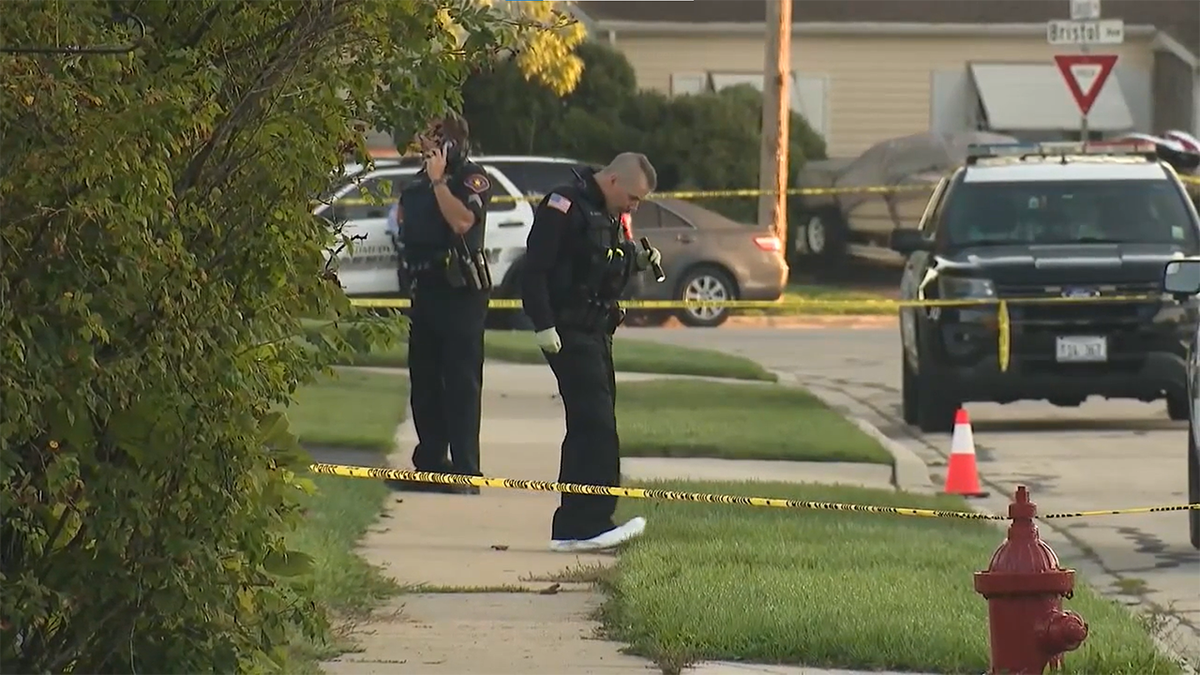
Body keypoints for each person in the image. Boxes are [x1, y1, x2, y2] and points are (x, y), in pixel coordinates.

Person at [520, 152, 663, 552]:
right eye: (633, 198)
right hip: (568, 330)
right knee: (594, 423)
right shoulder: (563, 206)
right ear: (614, 180)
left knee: (594, 423)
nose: (634, 206)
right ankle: (584, 523)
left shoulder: (608, 213)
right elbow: (536, 269)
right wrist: (543, 323)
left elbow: (603, 259)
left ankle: (581, 521)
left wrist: (639, 258)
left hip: (598, 329)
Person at [389, 113, 494, 495]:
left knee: (461, 382)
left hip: (460, 291)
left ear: (451, 143)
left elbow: (463, 222)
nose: (425, 149)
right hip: (425, 288)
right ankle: (431, 463)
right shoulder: (416, 185)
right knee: (425, 380)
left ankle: (467, 470)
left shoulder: (472, 179)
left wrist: (438, 181)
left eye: (433, 141)